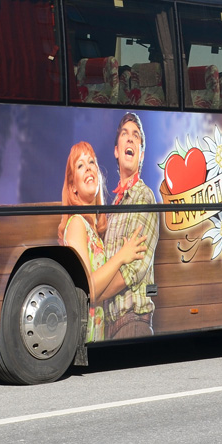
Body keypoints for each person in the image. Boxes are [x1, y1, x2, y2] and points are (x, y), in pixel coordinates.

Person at [58, 142, 147, 343]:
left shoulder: (94, 231)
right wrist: (121, 257)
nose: (89, 167)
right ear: (73, 187)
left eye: (91, 162)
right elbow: (86, 288)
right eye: (80, 165)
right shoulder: (77, 224)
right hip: (87, 334)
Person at [101, 113, 160, 339]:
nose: (130, 139)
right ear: (116, 150)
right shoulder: (114, 206)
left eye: (136, 136)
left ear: (141, 154)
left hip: (133, 322)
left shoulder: (143, 197)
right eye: (125, 135)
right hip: (110, 326)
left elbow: (133, 270)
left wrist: (94, 294)